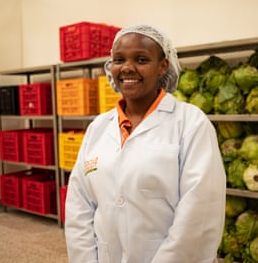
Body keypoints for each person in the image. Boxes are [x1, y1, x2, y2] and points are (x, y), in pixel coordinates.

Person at [64, 24, 226, 263]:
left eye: (141, 59)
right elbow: (79, 206)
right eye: (119, 59)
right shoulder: (98, 128)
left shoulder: (191, 123)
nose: (127, 68)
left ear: (163, 67)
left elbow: (199, 212)